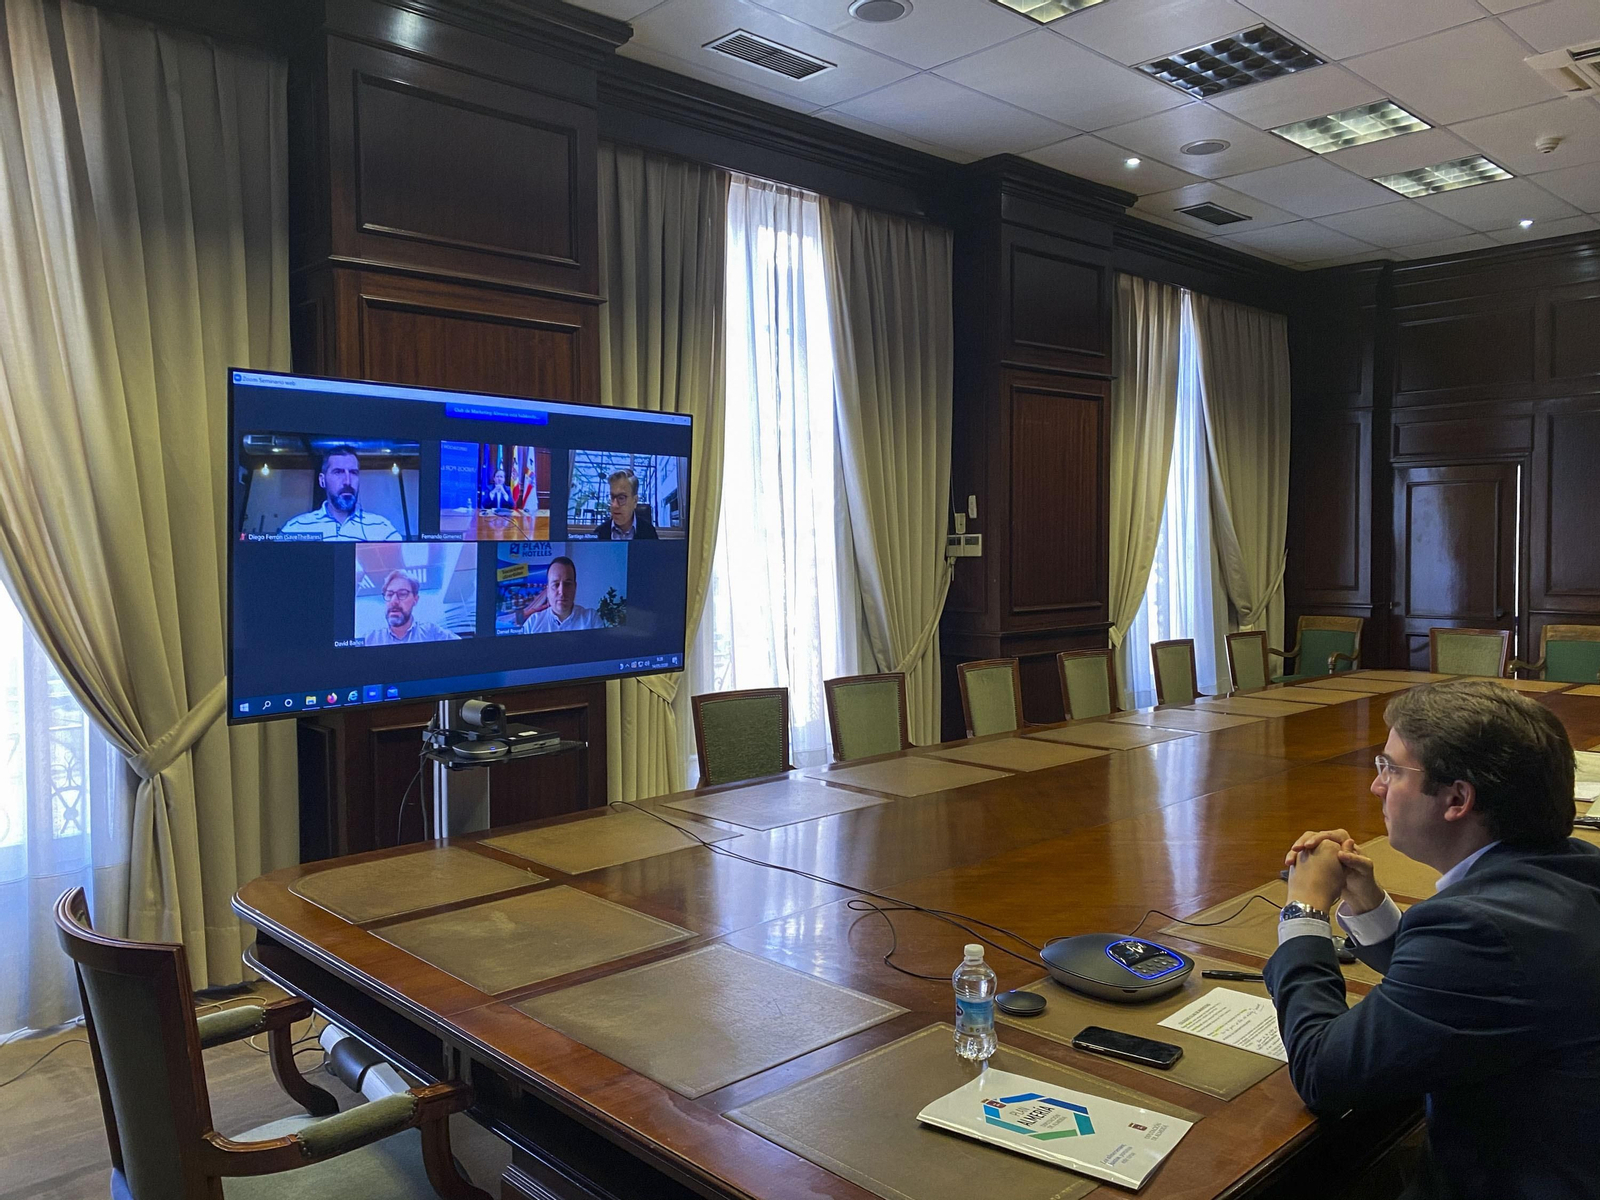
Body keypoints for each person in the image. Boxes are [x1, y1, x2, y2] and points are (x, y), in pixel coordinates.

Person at [1266, 679, 1600, 1200]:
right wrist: (1366, 904)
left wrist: (1303, 911)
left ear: (1457, 798)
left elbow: (1322, 1074)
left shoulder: (1477, 930)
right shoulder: (1574, 869)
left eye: (1392, 770)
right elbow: (1464, 994)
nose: (1376, 786)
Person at [280, 445, 402, 541]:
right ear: (322, 481)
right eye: (338, 472)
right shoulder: (296, 528)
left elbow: (399, 570)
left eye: (353, 473)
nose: (347, 482)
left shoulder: (382, 529)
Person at [363, 570, 460, 645]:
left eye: (402, 594)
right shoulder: (369, 639)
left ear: (415, 600)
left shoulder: (432, 632)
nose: (393, 601)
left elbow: (466, 649)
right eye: (389, 594)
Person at [517, 556, 603, 633]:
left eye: (567, 584)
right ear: (547, 590)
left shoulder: (591, 619)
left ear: (575, 587)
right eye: (556, 585)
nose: (562, 591)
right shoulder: (533, 623)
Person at [593, 468, 657, 540]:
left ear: (635, 501)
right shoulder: (599, 533)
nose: (614, 505)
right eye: (612, 497)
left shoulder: (649, 533)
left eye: (621, 498)